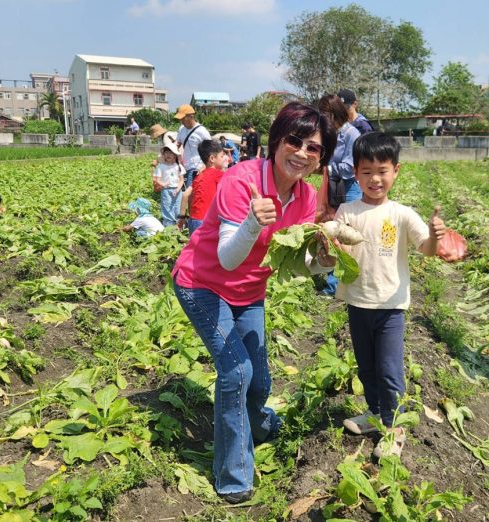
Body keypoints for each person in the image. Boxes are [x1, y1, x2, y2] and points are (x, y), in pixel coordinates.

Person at [172, 102, 337, 503]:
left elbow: (294, 262)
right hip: (202, 284)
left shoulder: (305, 197)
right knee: (237, 372)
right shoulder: (241, 180)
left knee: (259, 378)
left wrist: (324, 263)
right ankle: (233, 475)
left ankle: (258, 424)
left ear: (321, 158)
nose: (301, 152)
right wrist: (251, 221)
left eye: (313, 148)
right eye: (294, 140)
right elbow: (227, 258)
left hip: (249, 292)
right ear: (277, 141)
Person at [333, 132, 446, 458]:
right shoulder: (347, 211)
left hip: (390, 307)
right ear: (355, 173)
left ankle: (395, 428)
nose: (374, 179)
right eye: (366, 172)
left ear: (396, 171)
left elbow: (427, 249)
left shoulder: (402, 214)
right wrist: (331, 245)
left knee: (389, 370)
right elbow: (336, 251)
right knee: (366, 367)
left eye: (382, 171)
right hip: (358, 302)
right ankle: (375, 414)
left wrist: (436, 236)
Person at [317, 93, 362, 295]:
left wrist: (324, 168)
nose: (323, 120)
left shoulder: (352, 134)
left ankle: (340, 283)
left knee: (345, 235)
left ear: (334, 114)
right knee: (331, 232)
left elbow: (350, 168)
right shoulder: (330, 133)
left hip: (349, 189)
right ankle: (333, 282)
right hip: (333, 187)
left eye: (325, 115)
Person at [179, 140, 228, 236]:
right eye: (222, 156)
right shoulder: (219, 175)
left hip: (193, 220)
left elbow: (185, 195)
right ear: (212, 158)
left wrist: (182, 217)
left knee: (195, 245)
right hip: (207, 221)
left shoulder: (199, 176)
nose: (224, 159)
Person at [175, 104, 211, 189]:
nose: (181, 121)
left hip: (197, 167)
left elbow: (211, 149)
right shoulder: (181, 129)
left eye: (183, 118)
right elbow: (177, 143)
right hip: (184, 167)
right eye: (180, 119)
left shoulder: (201, 131)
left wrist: (205, 165)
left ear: (191, 116)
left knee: (189, 191)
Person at [153, 142, 185, 227]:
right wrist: (163, 184)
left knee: (177, 207)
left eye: (171, 153)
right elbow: (157, 179)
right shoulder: (161, 166)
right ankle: (168, 225)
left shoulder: (178, 167)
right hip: (166, 190)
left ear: (175, 155)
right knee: (167, 207)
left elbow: (181, 180)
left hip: (177, 190)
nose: (168, 155)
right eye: (166, 153)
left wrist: (178, 189)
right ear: (163, 155)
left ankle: (178, 224)